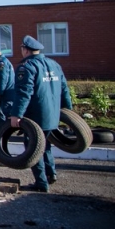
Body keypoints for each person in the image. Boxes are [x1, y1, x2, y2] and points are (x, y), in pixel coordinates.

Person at [9, 35, 72, 193]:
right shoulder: (54, 64)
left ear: (25, 50)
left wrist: (16, 114)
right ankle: (51, 174)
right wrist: (68, 112)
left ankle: (41, 182)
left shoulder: (27, 67)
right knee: (46, 146)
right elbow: (65, 90)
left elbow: (24, 93)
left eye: (22, 49)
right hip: (53, 116)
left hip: (36, 116)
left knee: (33, 148)